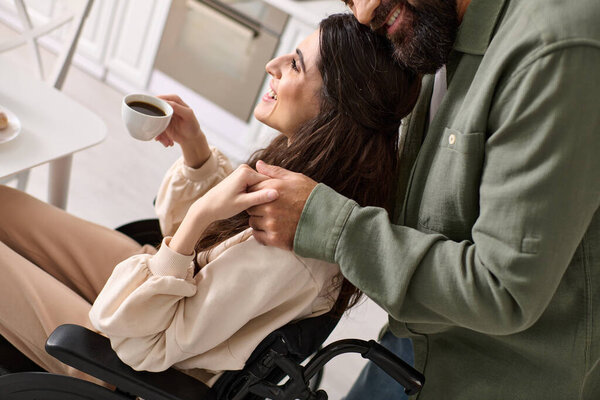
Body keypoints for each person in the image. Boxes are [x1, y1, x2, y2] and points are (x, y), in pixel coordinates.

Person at [0, 13, 420, 387]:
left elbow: (147, 345)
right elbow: (216, 254)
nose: (271, 66)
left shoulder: (287, 239)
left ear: (335, 108)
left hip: (129, 361)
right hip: (157, 301)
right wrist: (197, 153)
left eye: (294, 65)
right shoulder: (307, 183)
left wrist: (199, 214)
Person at [243, 0, 600, 398]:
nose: (364, 13)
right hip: (407, 348)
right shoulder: (436, 33)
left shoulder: (555, 48)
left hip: (490, 381)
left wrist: (331, 226)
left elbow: (503, 290)